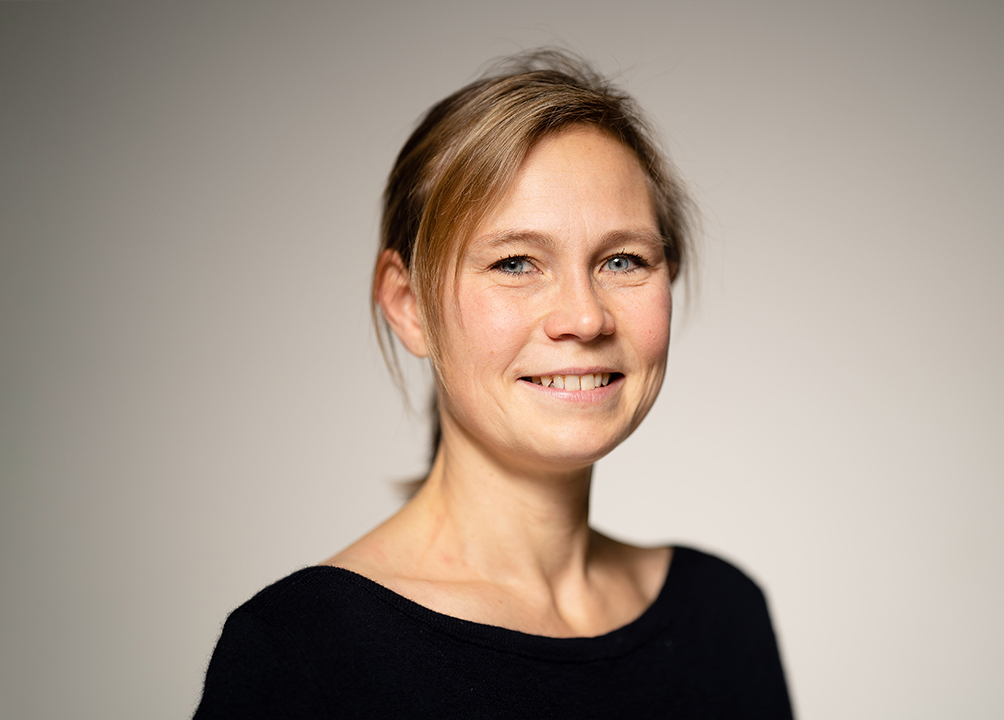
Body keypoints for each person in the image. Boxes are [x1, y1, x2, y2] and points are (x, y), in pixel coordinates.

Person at [194, 49, 793, 719]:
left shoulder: (723, 615)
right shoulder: (302, 651)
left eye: (623, 260)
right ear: (409, 306)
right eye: (515, 263)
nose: (585, 318)